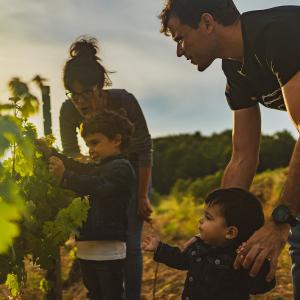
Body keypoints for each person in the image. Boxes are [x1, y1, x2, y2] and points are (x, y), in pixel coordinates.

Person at [158, 0, 300, 298]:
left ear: (207, 22)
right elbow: (242, 157)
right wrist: (209, 235)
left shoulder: (279, 33)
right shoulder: (234, 72)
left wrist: (279, 221)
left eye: (180, 37)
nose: (179, 50)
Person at [59, 36, 153, 299]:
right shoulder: (68, 111)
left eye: (86, 93)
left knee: (130, 241)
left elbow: (144, 148)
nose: (80, 101)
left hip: (131, 172)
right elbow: (72, 154)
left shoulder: (124, 101)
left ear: (100, 88)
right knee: (96, 235)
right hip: (95, 173)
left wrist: (142, 195)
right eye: (74, 94)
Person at [45, 110, 135, 300]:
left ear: (116, 140)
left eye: (95, 143)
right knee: (94, 295)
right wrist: (50, 153)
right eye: (87, 145)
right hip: (87, 249)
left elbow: (98, 186)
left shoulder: (122, 168)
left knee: (111, 296)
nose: (90, 150)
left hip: (109, 250)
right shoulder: (98, 168)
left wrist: (65, 177)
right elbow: (78, 168)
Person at [143, 188, 275, 300]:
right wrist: (159, 248)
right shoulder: (199, 246)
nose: (201, 220)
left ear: (230, 232)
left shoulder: (240, 259)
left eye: (208, 217)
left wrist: (260, 265)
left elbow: (259, 286)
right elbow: (181, 259)